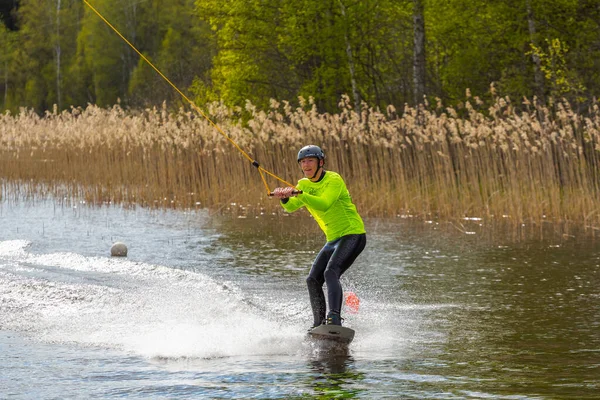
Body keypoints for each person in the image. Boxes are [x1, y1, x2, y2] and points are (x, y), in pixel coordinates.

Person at [272, 145, 366, 329]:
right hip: (333, 240)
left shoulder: (333, 180)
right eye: (303, 162)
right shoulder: (304, 184)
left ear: (320, 163)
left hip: (352, 234)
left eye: (310, 161)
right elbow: (291, 207)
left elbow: (324, 204)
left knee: (330, 272)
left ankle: (334, 318)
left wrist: (300, 194)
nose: (306, 165)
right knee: (313, 279)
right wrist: (284, 197)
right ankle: (319, 324)